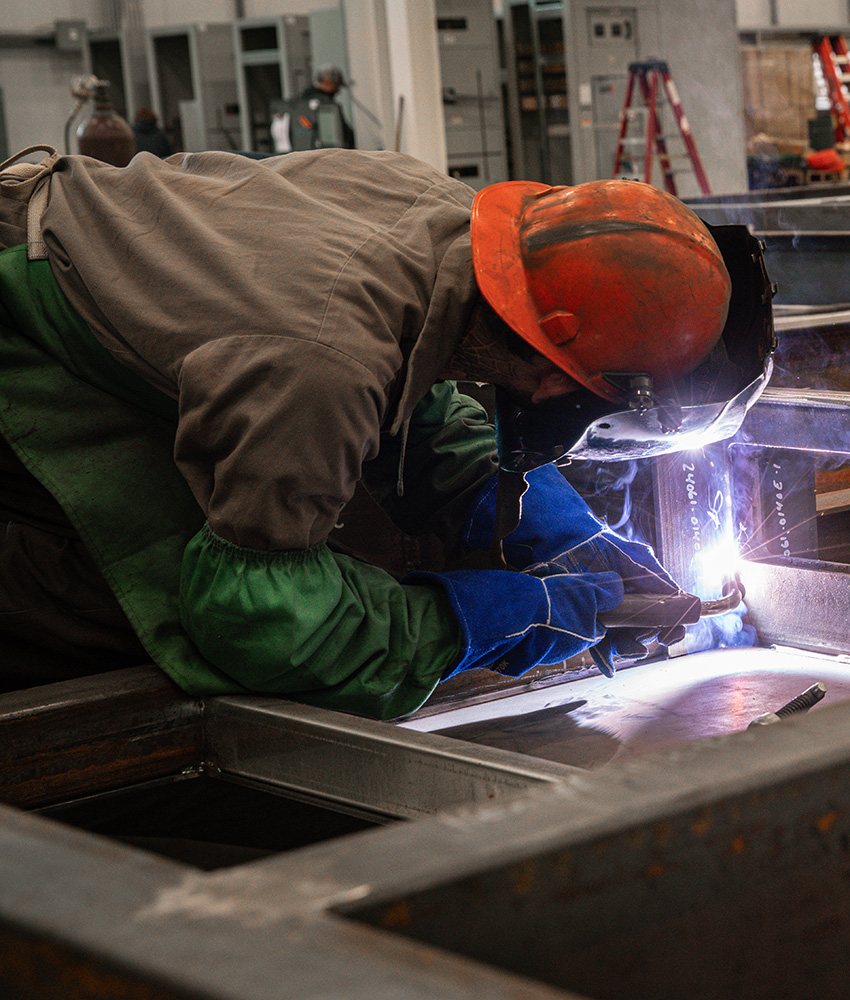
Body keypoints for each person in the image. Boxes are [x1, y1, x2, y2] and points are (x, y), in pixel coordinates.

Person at [0, 145, 773, 716]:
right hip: (26, 331)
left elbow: (407, 387)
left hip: (85, 266)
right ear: (553, 367)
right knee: (121, 606)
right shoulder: (318, 361)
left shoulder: (434, 217)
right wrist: (480, 620)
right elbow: (260, 621)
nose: (550, 401)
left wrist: (557, 529)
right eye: (574, 396)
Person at [271, 64, 355, 153]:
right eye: (336, 86)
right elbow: (343, 133)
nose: (338, 90)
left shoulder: (299, 104)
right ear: (328, 82)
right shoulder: (327, 107)